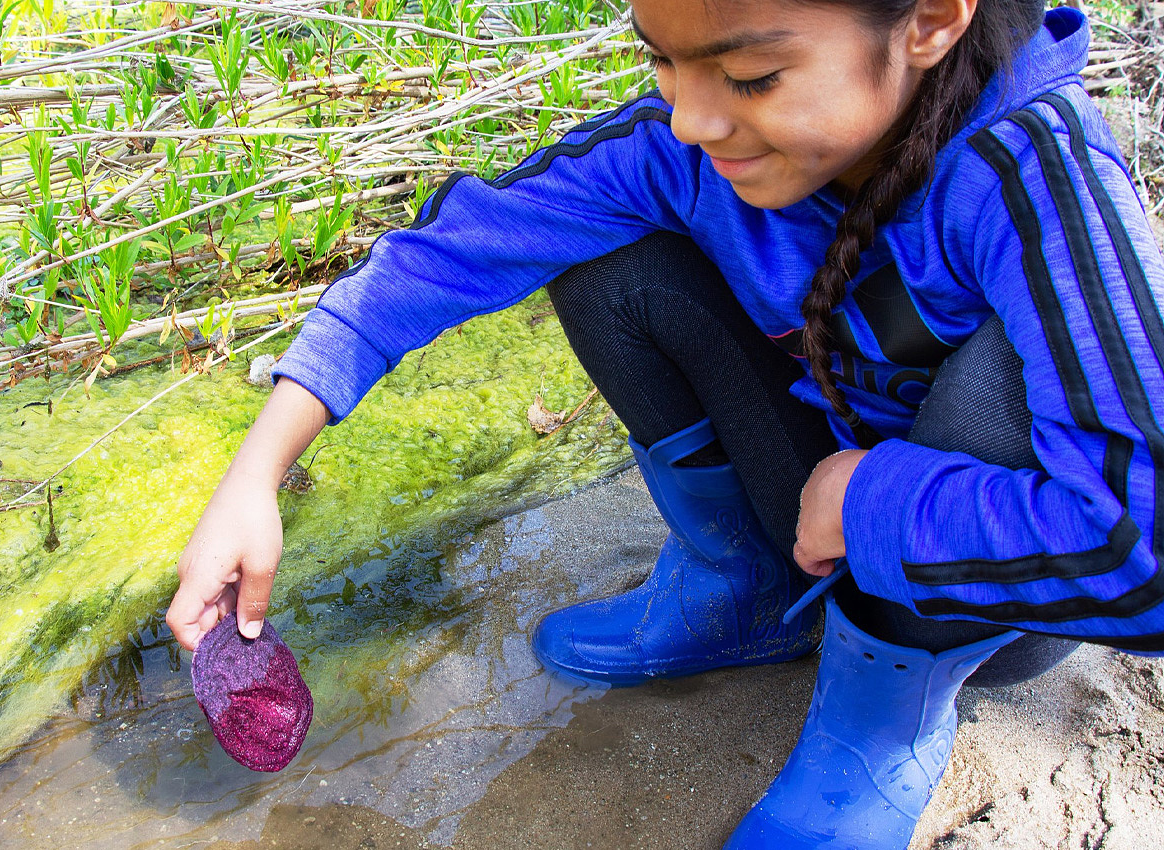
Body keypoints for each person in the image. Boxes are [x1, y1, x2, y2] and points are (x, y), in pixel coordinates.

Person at [168, 0, 1164, 846]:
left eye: (751, 76)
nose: (689, 119)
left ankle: (877, 717)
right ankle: (738, 589)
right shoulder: (683, 148)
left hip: (989, 593)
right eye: (661, 59)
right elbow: (454, 248)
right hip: (812, 521)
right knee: (608, 264)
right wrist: (254, 475)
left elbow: (1145, 547)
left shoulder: (1036, 176)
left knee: (999, 375)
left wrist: (870, 500)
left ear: (930, 22)